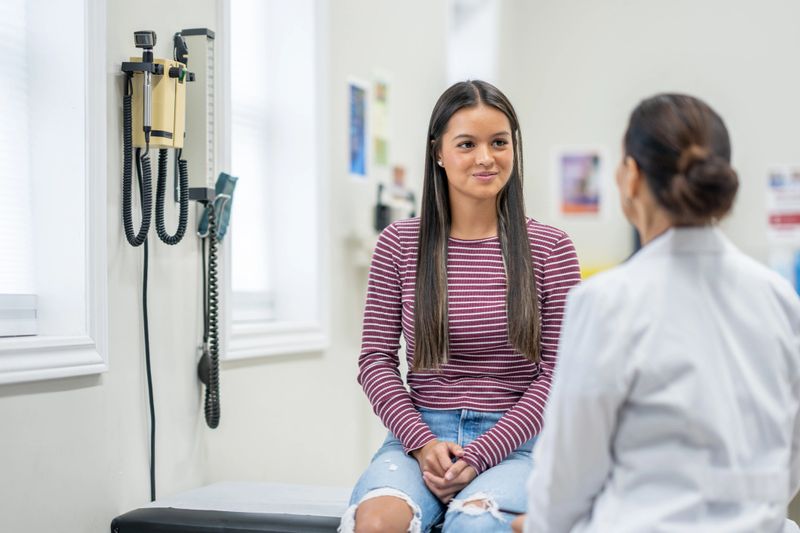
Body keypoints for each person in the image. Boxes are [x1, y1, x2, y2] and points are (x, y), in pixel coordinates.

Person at [511, 93, 800, 532]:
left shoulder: (606, 301)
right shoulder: (778, 298)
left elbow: (568, 474)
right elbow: (790, 452)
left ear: (630, 177)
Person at [339, 80, 581, 533]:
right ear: (438, 152)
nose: (486, 158)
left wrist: (482, 453)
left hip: (518, 443)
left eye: (499, 143)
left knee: (473, 525)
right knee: (375, 525)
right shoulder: (398, 244)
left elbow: (560, 374)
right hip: (419, 439)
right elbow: (374, 361)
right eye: (467, 144)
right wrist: (421, 441)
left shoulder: (551, 248)